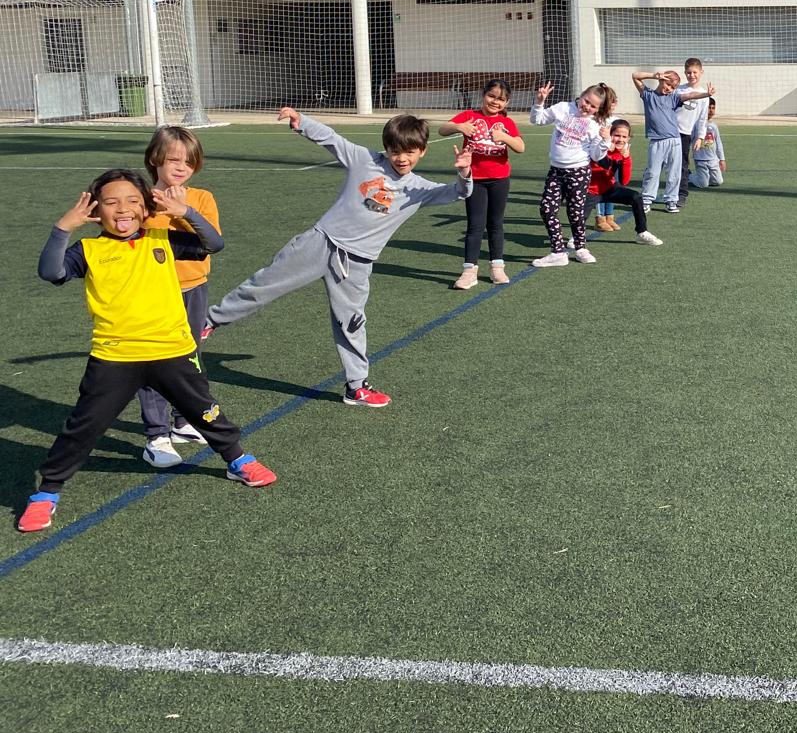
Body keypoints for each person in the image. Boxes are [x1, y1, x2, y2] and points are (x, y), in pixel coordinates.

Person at [18, 171, 276, 533]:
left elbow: (214, 244)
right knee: (84, 426)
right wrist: (64, 227)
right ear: (96, 210)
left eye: (133, 201)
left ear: (146, 208)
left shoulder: (162, 239)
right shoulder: (88, 250)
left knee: (204, 411)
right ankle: (47, 492)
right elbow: (50, 271)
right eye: (111, 202)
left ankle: (237, 459)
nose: (123, 209)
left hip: (173, 351)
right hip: (114, 357)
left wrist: (184, 212)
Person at [205, 110, 472, 409]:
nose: (401, 158)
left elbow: (458, 193)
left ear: (422, 151)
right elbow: (332, 139)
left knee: (352, 323)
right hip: (320, 243)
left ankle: (356, 387)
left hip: (356, 264)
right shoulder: (364, 160)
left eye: (410, 152)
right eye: (395, 151)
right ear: (386, 148)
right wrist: (301, 122)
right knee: (264, 285)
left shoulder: (419, 189)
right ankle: (209, 321)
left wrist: (464, 173)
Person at [137, 126, 216, 469]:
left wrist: (182, 211)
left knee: (188, 358)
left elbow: (210, 241)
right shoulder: (139, 200)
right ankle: (156, 435)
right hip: (152, 294)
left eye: (189, 162)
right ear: (155, 159)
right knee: (154, 362)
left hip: (193, 289)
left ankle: (184, 421)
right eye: (174, 160)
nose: (182, 167)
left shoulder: (202, 198)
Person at [439, 79, 525, 289]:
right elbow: (443, 129)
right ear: (483, 94)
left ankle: (497, 267)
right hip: (474, 180)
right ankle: (469, 271)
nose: (495, 102)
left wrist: (504, 137)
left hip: (499, 180)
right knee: (475, 225)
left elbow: (520, 147)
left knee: (495, 224)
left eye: (501, 99)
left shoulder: (507, 123)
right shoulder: (470, 115)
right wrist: (459, 126)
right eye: (491, 96)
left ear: (507, 103)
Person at [531, 82, 617, 268]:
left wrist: (605, 140)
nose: (587, 107)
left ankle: (581, 248)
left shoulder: (595, 125)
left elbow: (596, 156)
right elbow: (537, 120)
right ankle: (558, 252)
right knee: (546, 209)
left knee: (575, 212)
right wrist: (539, 102)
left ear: (598, 109)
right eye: (586, 101)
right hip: (556, 171)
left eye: (593, 106)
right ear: (581, 95)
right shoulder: (563, 108)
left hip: (578, 172)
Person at [632, 68, 714, 213]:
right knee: (653, 172)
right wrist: (654, 75)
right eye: (668, 84)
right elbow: (635, 76)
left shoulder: (673, 97)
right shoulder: (648, 95)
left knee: (674, 173)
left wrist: (706, 94)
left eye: (673, 87)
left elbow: (690, 95)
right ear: (661, 80)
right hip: (657, 141)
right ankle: (646, 200)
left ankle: (671, 200)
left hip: (675, 140)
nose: (669, 89)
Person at [587, 119, 664, 246]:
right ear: (609, 135)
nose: (620, 139)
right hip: (591, 190)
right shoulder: (600, 147)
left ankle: (642, 232)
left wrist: (626, 158)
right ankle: (576, 237)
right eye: (617, 135)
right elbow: (601, 165)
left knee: (636, 197)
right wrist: (607, 149)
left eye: (624, 137)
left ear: (628, 138)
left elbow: (624, 181)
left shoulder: (623, 151)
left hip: (609, 189)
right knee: (580, 214)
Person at [674, 57, 712, 209]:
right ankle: (651, 192)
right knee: (662, 163)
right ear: (685, 73)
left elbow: (702, 118)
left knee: (683, 164)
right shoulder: (678, 89)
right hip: (669, 132)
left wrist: (700, 137)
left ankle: (681, 194)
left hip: (685, 134)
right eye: (689, 72)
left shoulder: (704, 95)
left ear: (701, 72)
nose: (692, 75)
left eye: (695, 72)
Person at [690, 98, 727, 190]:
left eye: (713, 108)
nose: (711, 110)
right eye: (709, 108)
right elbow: (690, 140)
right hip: (700, 159)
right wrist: (686, 155)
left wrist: (722, 159)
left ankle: (704, 177)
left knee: (718, 181)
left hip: (713, 160)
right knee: (703, 184)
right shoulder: (696, 124)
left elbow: (718, 143)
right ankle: (688, 175)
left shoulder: (714, 126)